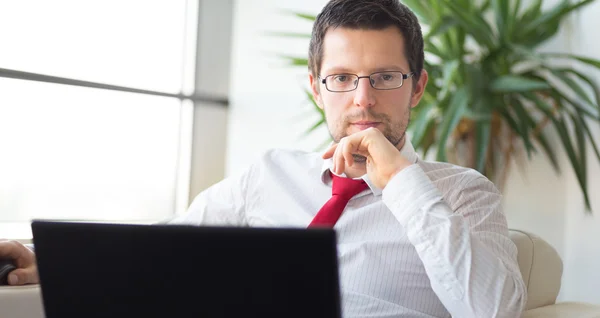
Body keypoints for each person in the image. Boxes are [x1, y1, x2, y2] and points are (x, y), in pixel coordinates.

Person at [0, 0, 527, 317]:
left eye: (385, 77)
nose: (362, 99)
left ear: (417, 89)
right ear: (317, 89)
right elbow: (165, 246)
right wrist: (44, 260)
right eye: (341, 78)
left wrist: (403, 182)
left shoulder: (463, 191)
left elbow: (494, 310)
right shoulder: (270, 175)